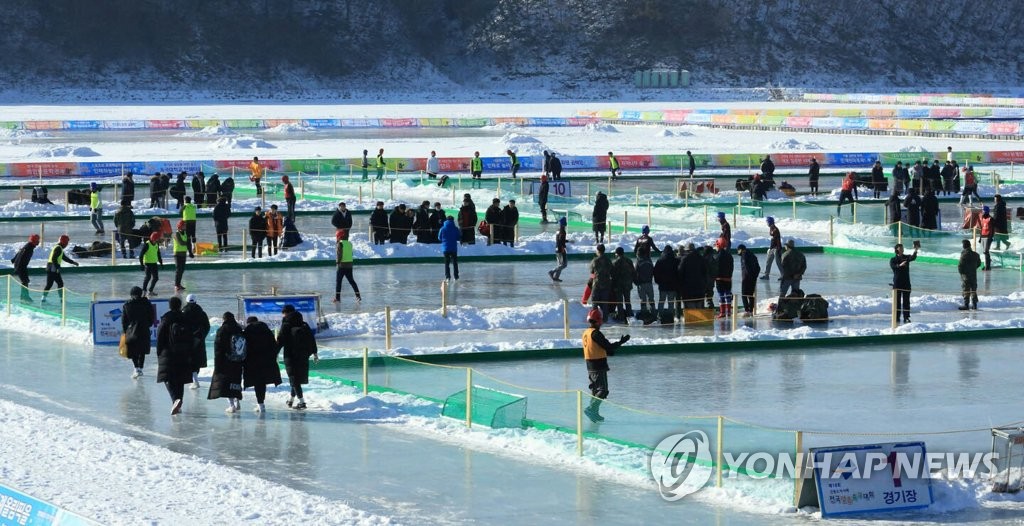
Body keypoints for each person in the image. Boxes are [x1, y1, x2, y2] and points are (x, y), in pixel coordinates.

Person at [581, 307, 629, 422]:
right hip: (598, 365)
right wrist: (621, 342)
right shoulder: (596, 333)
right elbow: (608, 346)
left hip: (590, 365)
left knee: (595, 390)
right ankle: (591, 409)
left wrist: (610, 350)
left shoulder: (586, 333)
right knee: (603, 390)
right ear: (598, 321)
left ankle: (595, 413)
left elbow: (602, 348)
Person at [277, 304, 319, 410]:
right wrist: (315, 353)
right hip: (303, 355)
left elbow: (280, 340)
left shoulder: (286, 324)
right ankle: (291, 400)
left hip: (290, 355)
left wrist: (273, 354)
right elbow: (311, 338)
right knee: (296, 379)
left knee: (293, 378)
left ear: (286, 313)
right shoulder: (304, 324)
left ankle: (302, 402)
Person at [156, 296, 192, 415]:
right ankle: (179, 401)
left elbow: (160, 336)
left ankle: (175, 400)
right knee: (180, 379)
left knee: (168, 378)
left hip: (168, 352)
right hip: (184, 352)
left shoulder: (166, 318)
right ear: (180, 305)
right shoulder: (185, 318)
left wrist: (159, 353)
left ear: (170, 306)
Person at [243, 315, 282, 413]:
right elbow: (274, 346)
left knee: (257, 383)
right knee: (262, 383)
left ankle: (260, 404)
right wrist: (272, 358)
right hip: (267, 361)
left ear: (249, 323)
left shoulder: (247, 331)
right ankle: (261, 403)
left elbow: (243, 348)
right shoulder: (267, 331)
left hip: (252, 362)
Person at [208, 311, 244, 413]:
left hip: (226, 361)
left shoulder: (222, 330)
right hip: (238, 360)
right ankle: (237, 402)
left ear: (224, 319)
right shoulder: (239, 329)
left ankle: (231, 405)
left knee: (226, 383)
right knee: (236, 381)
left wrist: (217, 364)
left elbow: (218, 349)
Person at [121, 286, 155, 379]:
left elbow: (124, 321)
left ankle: (136, 368)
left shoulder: (127, 305)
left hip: (131, 331)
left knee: (133, 350)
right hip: (144, 329)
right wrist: (147, 324)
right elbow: (152, 317)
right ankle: (140, 368)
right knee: (142, 350)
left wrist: (125, 332)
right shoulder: (147, 303)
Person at [182, 294, 210, 389]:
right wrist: (202, 336)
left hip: (187, 339)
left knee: (188, 359)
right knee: (197, 360)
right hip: (199, 339)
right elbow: (207, 326)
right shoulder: (201, 312)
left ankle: (194, 380)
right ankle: (195, 378)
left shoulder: (183, 312)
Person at [42, 234, 79, 302]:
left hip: (50, 267)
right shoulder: (58, 248)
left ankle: (44, 298)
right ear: (64, 242)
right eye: (66, 243)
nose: (67, 245)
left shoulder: (58, 247)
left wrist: (73, 262)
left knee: (51, 284)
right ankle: (61, 299)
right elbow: (54, 258)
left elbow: (64, 257)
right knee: (59, 284)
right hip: (53, 268)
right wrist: (57, 267)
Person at [890, 242, 918, 323]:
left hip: (906, 283)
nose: (902, 249)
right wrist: (899, 265)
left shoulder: (906, 257)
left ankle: (906, 317)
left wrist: (916, 250)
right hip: (897, 283)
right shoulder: (893, 259)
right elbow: (893, 266)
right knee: (897, 302)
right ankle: (897, 317)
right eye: (900, 248)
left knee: (906, 301)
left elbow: (913, 257)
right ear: (897, 250)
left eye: (903, 247)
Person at [334, 229, 362, 303]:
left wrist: (337, 262)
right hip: (349, 265)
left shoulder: (340, 243)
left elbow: (339, 255)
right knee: (352, 281)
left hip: (342, 265)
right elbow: (351, 254)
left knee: (338, 282)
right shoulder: (349, 243)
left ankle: (337, 298)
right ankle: (358, 296)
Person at [677, 243, 707, 311]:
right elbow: (705, 273)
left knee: (691, 310)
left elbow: (680, 272)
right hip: (700, 288)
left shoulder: (685, 259)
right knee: (699, 309)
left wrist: (681, 285)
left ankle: (692, 321)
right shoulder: (701, 258)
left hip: (688, 290)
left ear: (687, 250)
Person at [654, 245, 679, 323]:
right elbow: (679, 272)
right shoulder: (676, 260)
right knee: (671, 302)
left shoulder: (660, 260)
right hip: (673, 285)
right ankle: (670, 316)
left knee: (661, 301)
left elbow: (655, 273)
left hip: (662, 286)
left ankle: (660, 316)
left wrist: (658, 282)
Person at [12, 234, 40, 302]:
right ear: (34, 241)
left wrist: (13, 259)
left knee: (25, 281)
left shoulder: (29, 246)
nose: (38, 242)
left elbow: (19, 252)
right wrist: (17, 267)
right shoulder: (29, 247)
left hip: (21, 266)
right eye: (37, 240)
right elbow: (21, 256)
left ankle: (23, 296)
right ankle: (25, 297)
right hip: (21, 266)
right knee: (25, 281)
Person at [589, 244, 614, 320]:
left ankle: (594, 318)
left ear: (598, 251)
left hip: (596, 284)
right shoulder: (608, 260)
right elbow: (611, 271)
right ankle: (605, 318)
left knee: (594, 302)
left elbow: (591, 271)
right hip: (606, 284)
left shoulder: (595, 260)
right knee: (605, 302)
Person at [611, 247, 635, 321]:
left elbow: (612, 275)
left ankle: (621, 317)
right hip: (627, 285)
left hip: (618, 286)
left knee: (619, 303)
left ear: (617, 254)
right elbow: (633, 272)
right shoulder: (629, 261)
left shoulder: (615, 262)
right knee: (628, 301)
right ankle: (630, 316)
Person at [958, 239, 981, 311]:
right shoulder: (976, 254)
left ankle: (966, 305)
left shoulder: (964, 254)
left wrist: (962, 273)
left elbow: (960, 266)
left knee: (966, 289)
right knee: (973, 289)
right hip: (973, 275)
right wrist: (973, 269)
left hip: (966, 275)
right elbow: (979, 264)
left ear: (963, 246)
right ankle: (974, 305)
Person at [737, 244, 760, 316]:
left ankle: (747, 310)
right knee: (750, 295)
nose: (738, 252)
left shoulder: (744, 256)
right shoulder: (753, 255)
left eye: (738, 250)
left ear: (741, 249)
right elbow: (758, 268)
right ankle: (751, 310)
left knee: (744, 294)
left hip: (746, 278)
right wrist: (754, 276)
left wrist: (748, 276)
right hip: (753, 279)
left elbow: (746, 268)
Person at [634, 249, 655, 324]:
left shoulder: (639, 262)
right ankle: (653, 313)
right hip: (649, 283)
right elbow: (653, 271)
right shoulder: (649, 261)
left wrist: (636, 282)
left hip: (641, 284)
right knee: (651, 299)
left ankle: (644, 314)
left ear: (638, 254)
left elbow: (635, 272)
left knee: (643, 300)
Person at [172, 220, 194, 292]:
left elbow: (189, 243)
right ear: (180, 226)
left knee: (182, 270)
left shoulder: (185, 233)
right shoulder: (176, 234)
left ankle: (179, 284)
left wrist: (190, 252)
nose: (185, 226)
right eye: (184, 225)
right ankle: (176, 285)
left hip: (183, 254)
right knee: (178, 270)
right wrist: (187, 242)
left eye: (185, 225)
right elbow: (181, 243)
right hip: (177, 254)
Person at [139, 232, 163, 297]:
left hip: (154, 263)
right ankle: (144, 291)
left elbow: (158, 253)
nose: (159, 240)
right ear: (154, 239)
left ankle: (150, 291)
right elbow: (141, 255)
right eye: (158, 239)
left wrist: (161, 262)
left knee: (156, 278)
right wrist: (141, 264)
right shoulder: (147, 245)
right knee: (148, 277)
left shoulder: (156, 244)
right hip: (147, 264)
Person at [715, 238, 734, 319]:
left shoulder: (718, 256)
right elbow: (731, 267)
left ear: (718, 245)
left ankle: (722, 312)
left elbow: (716, 268)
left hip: (719, 279)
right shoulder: (729, 255)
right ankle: (729, 312)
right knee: (728, 295)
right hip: (728, 279)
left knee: (721, 296)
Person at [439, 215, 461, 281]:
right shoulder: (455, 228)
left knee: (447, 263)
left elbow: (439, 238)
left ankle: (447, 277)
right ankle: (456, 276)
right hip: (453, 248)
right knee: (455, 263)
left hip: (445, 248)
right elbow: (458, 237)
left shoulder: (442, 228)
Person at [547, 216, 569, 282]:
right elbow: (561, 240)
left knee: (560, 265)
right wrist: (563, 247)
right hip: (560, 249)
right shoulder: (562, 231)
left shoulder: (558, 230)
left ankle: (556, 277)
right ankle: (552, 272)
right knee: (564, 264)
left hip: (557, 249)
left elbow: (560, 239)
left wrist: (567, 241)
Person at [980, 205, 994, 270]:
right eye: (982, 210)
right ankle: (987, 264)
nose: (982, 211)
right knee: (984, 251)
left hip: (988, 236)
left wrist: (991, 237)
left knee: (986, 251)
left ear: (986, 211)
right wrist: (980, 237)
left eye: (983, 210)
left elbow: (993, 228)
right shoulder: (982, 218)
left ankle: (988, 266)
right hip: (983, 236)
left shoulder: (991, 218)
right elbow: (982, 228)